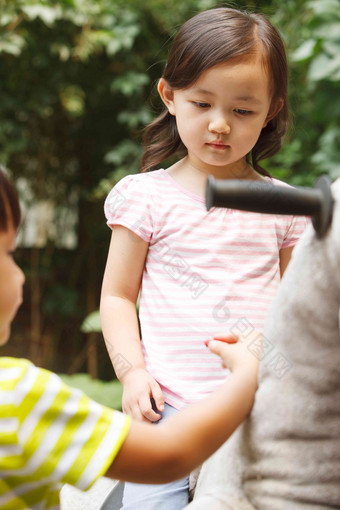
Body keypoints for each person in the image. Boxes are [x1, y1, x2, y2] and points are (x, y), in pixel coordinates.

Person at [100, 6, 308, 509]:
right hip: (165, 411)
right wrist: (132, 373)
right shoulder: (145, 198)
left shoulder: (286, 206)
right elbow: (116, 296)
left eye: (242, 110)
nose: (219, 125)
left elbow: (298, 312)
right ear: (170, 96)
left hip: (256, 412)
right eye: (201, 103)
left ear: (271, 111)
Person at [0, 168, 259, 509]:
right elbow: (168, 456)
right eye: (8, 254)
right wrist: (247, 376)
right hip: (175, 410)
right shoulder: (18, 398)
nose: (19, 273)